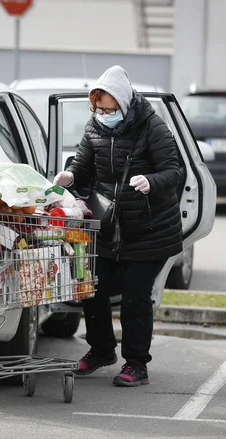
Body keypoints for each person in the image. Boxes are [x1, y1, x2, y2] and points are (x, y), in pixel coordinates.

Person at [53, 65, 183, 387]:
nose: (104, 114)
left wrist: (151, 181)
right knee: (91, 286)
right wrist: (69, 176)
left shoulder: (152, 127)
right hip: (112, 226)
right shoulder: (94, 127)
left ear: (124, 105)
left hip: (151, 229)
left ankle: (137, 364)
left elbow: (174, 171)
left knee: (136, 296)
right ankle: (101, 351)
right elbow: (83, 166)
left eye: (110, 110)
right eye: (98, 109)